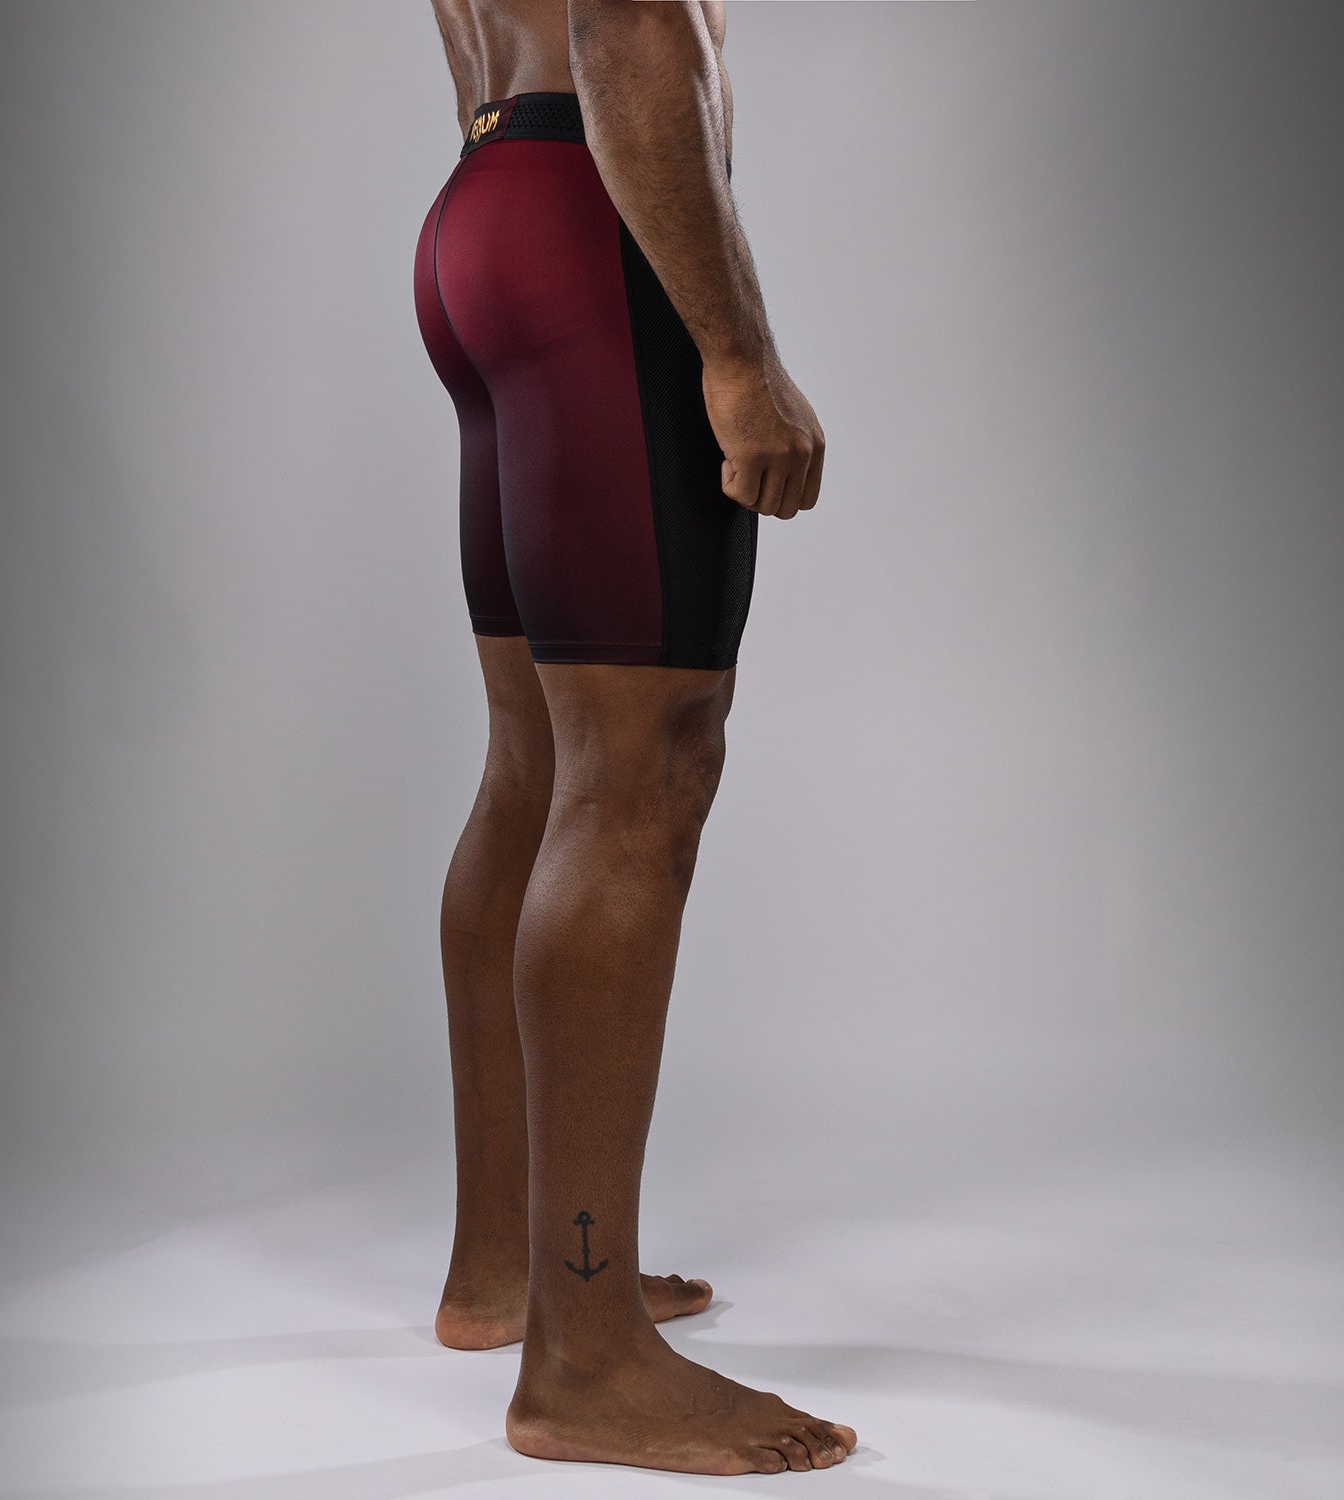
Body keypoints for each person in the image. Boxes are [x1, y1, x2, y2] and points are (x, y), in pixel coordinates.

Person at [413, 0, 852, 1475]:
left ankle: (503, 1269)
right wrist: (735, 350)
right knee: (642, 771)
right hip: (592, 230)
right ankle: (587, 1360)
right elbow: (626, 17)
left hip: (489, 205)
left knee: (535, 769)